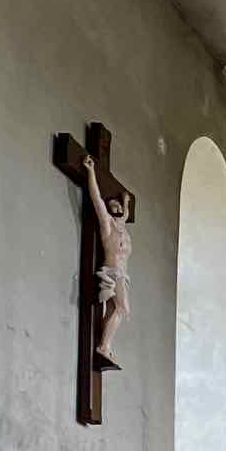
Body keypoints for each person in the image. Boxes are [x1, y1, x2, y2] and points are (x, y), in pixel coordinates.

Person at [82, 154, 132, 366]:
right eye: (113, 205)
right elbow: (96, 198)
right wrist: (91, 171)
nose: (117, 207)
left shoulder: (122, 227)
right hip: (113, 272)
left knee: (113, 310)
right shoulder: (108, 225)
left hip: (123, 275)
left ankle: (106, 346)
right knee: (122, 308)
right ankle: (103, 347)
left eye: (119, 206)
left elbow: (126, 214)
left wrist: (126, 201)